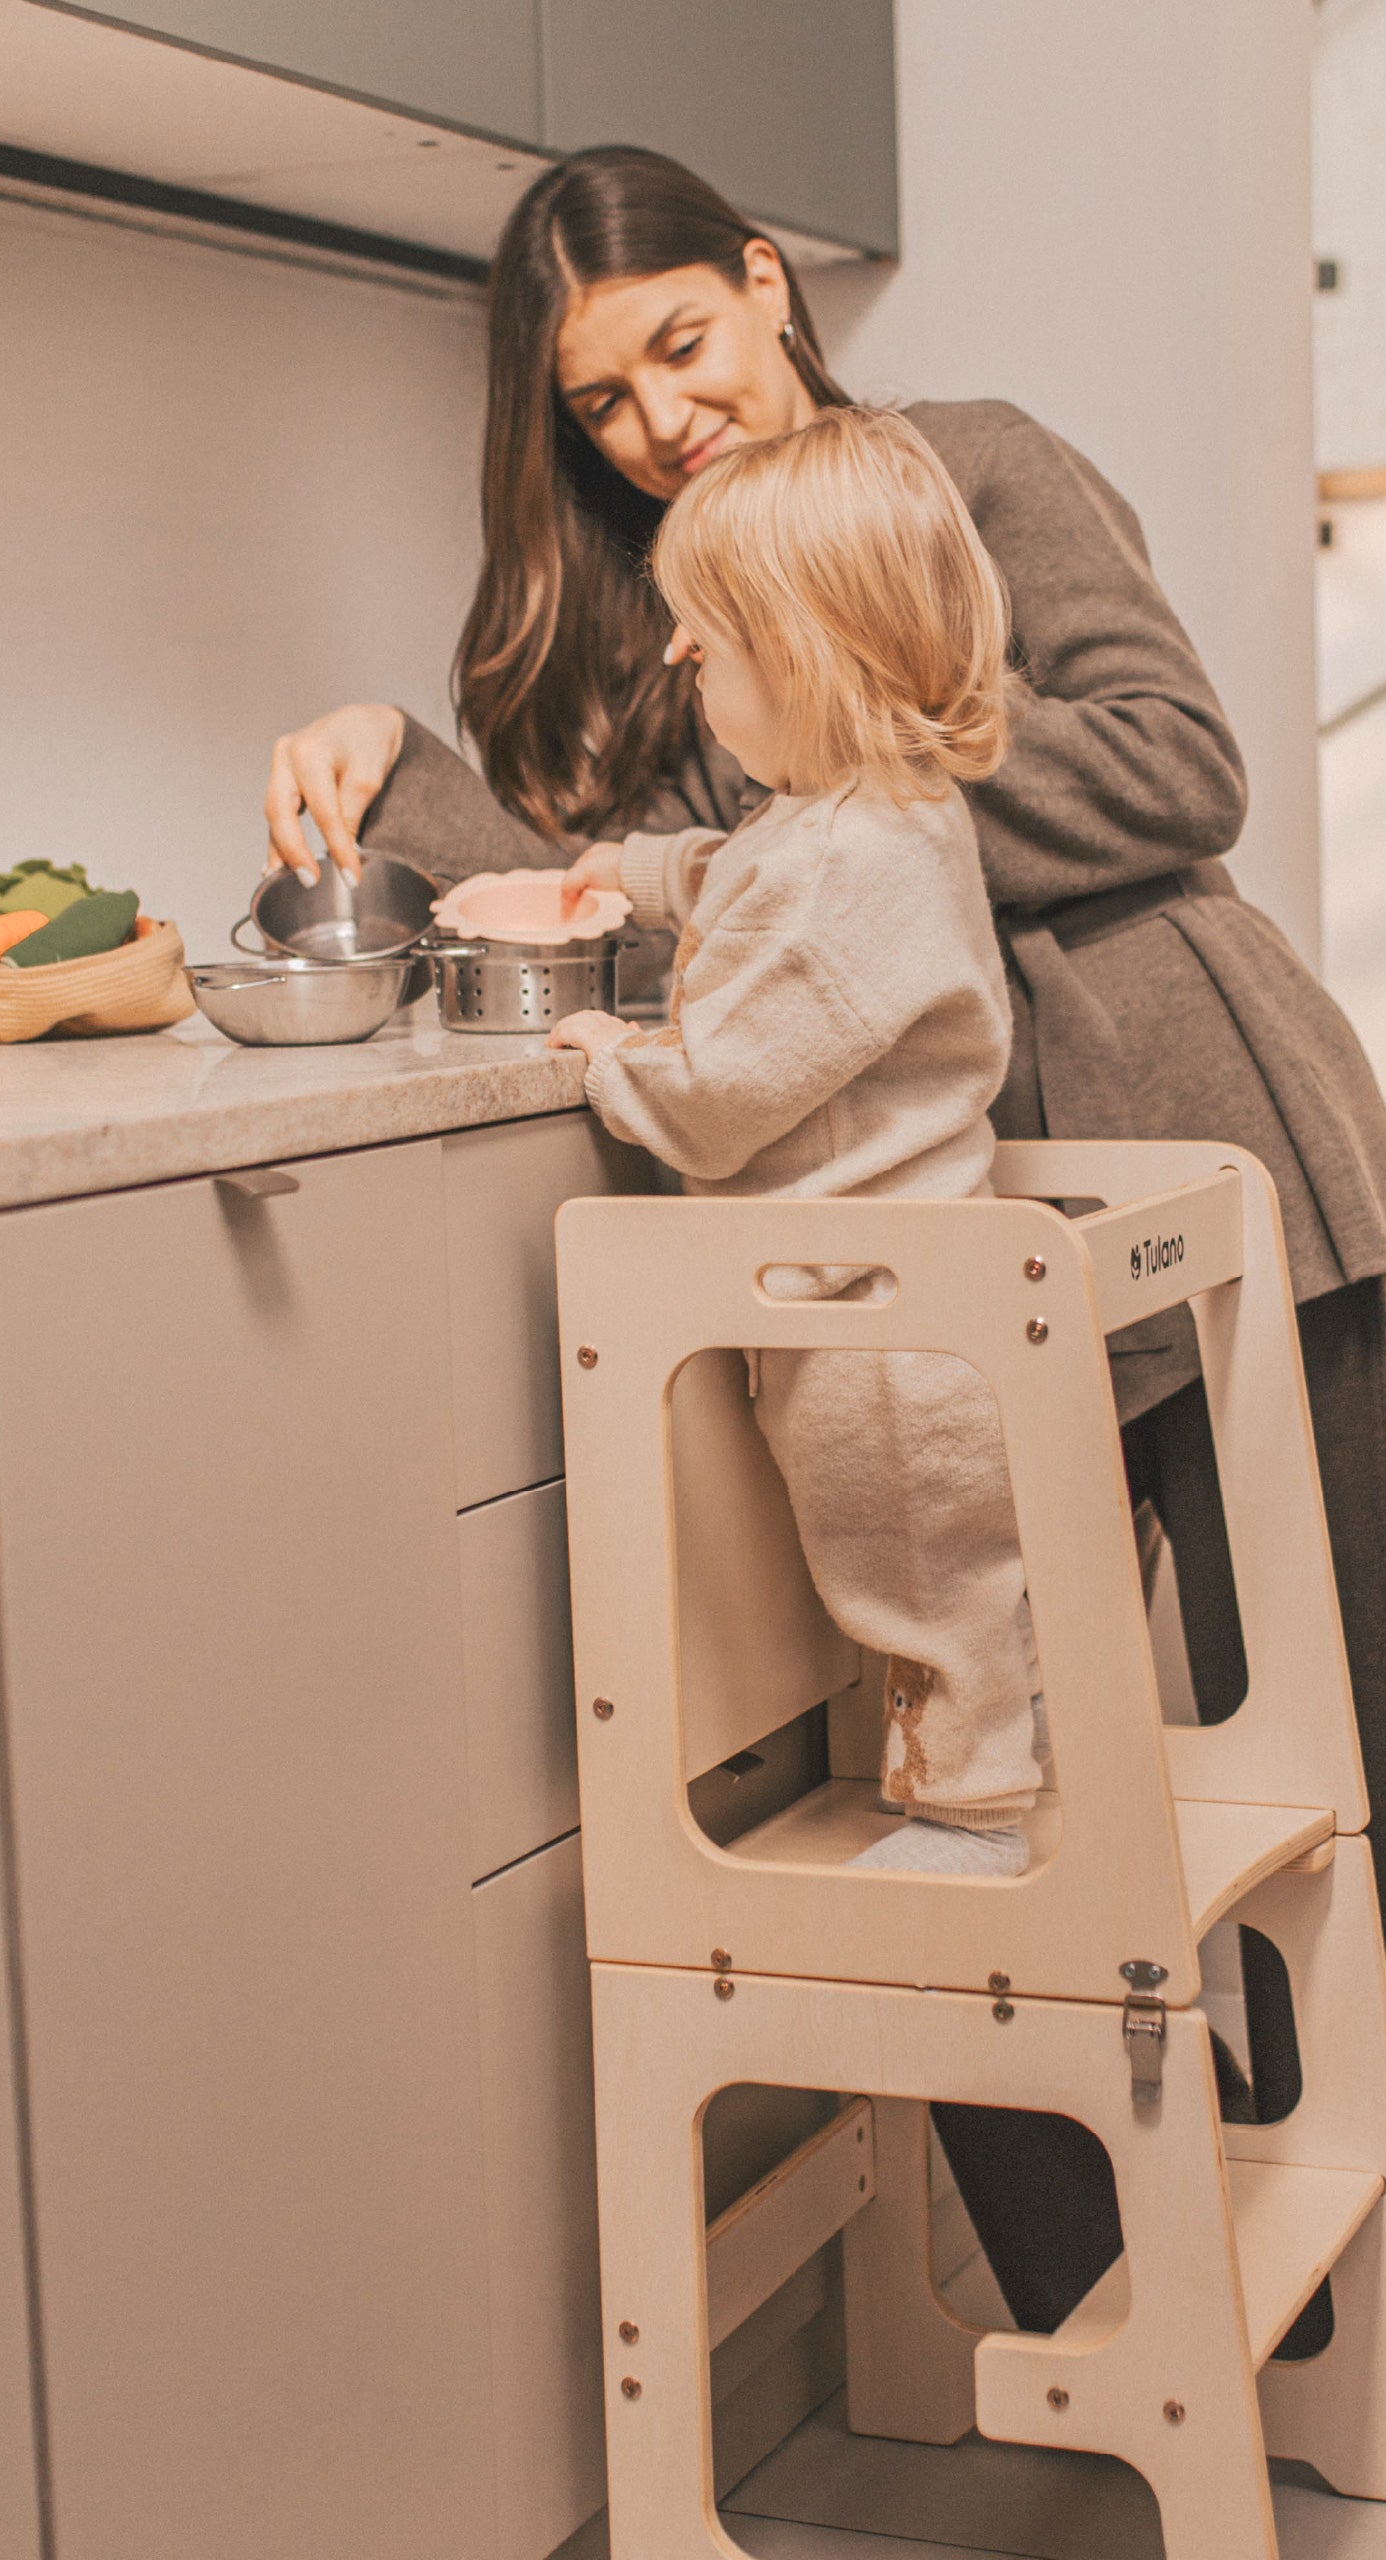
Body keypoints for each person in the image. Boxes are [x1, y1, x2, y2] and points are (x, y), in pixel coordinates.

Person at [262, 144, 1386, 2416]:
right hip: (951, 1253)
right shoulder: (674, 609)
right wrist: (398, 772)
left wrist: (859, 789)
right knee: (988, 1799)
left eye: (681, 344)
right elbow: (641, 904)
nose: (658, 419)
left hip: (1222, 1152)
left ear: (763, 280)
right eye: (599, 401)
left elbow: (1176, 768)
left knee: (1338, 1774)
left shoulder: (966, 472)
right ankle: (1155, 2309)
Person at [550, 404, 1045, 1878]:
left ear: (805, 654)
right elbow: (747, 875)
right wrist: (641, 874)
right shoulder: (876, 816)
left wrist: (609, 1056)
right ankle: (986, 1769)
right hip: (911, 1293)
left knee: (923, 1586)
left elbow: (717, 1096)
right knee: (961, 1586)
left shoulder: (837, 859)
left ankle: (973, 1815)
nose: (678, 657)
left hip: (872, 1333)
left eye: (705, 638)